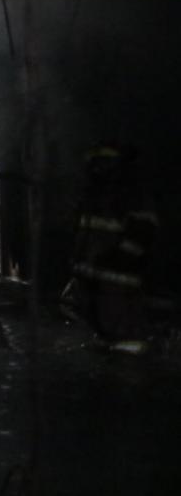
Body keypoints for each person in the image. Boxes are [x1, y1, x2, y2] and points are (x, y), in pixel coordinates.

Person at [68, 143, 159, 352]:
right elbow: (84, 233)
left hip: (118, 277)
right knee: (102, 326)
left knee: (122, 327)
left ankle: (130, 372)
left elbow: (143, 233)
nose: (97, 169)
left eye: (104, 164)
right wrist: (78, 261)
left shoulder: (132, 195)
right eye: (95, 164)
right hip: (93, 275)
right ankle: (110, 358)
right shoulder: (93, 196)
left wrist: (118, 259)